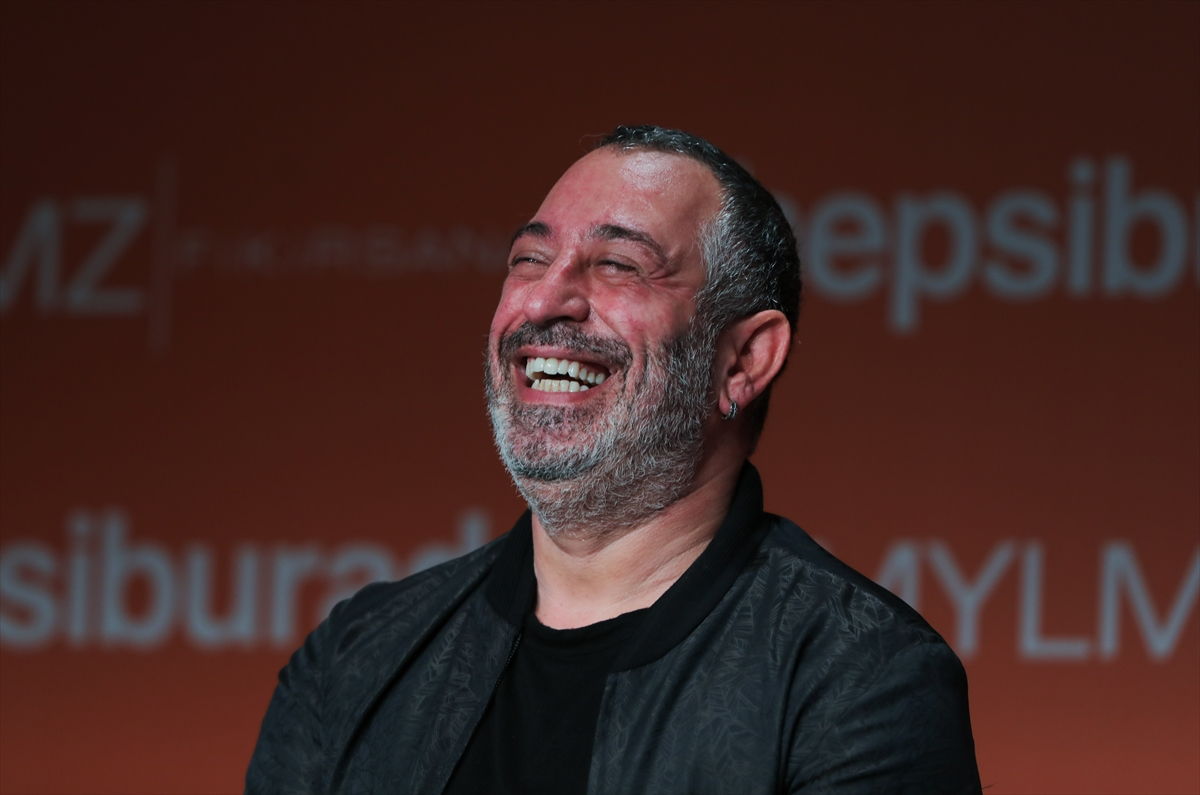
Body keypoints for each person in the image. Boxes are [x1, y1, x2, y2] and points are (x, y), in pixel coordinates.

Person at [246, 125, 982, 794]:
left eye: (620, 265)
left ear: (744, 360)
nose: (546, 300)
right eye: (529, 259)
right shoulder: (354, 657)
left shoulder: (861, 676)